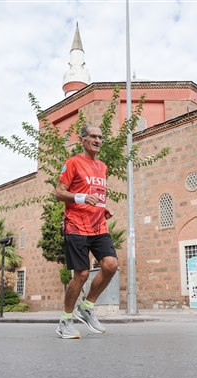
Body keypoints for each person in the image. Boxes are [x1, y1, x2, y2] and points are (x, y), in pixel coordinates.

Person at [55, 125, 118, 339]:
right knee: (81, 274)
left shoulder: (103, 167)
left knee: (110, 265)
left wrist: (102, 207)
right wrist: (81, 198)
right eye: (93, 136)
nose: (98, 140)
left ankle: (88, 306)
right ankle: (65, 320)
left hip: (98, 225)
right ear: (82, 140)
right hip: (76, 225)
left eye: (100, 137)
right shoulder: (73, 162)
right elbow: (59, 193)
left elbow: (96, 194)